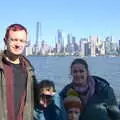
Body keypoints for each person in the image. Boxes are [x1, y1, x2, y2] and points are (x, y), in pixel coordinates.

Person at [0, 24, 36, 120]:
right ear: (5, 41)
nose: (18, 44)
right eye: (13, 40)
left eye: (21, 41)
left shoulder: (29, 70)